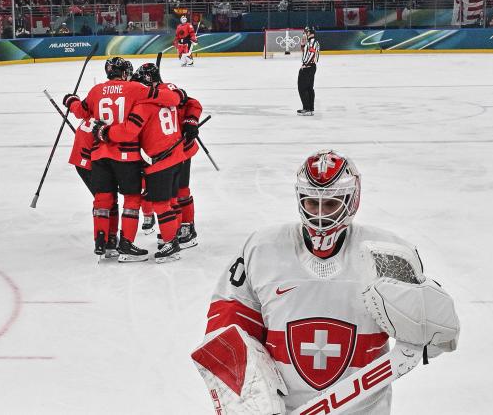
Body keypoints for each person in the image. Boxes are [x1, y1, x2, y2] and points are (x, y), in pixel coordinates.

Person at [191, 149, 460, 413]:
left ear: (351, 200)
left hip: (365, 408)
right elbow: (227, 325)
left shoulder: (387, 255)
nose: (320, 214)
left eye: (331, 203)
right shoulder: (261, 249)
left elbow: (426, 336)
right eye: (312, 202)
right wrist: (247, 393)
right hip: (286, 407)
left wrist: (429, 327)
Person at [96, 63, 191, 263]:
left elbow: (128, 131)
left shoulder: (143, 105)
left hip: (160, 160)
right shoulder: (168, 92)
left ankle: (171, 243)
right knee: (171, 199)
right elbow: (182, 100)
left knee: (161, 203)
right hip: (178, 155)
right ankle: (173, 237)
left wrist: (104, 132)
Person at [63, 57, 150, 261]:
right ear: (124, 73)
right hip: (126, 155)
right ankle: (126, 246)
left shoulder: (96, 91)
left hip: (99, 155)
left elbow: (81, 111)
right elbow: (157, 96)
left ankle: (103, 243)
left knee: (103, 198)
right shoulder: (135, 88)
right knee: (131, 198)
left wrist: (71, 100)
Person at [175, 94, 203, 248]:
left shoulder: (170, 90)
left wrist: (191, 121)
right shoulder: (135, 91)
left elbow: (193, 103)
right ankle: (173, 226)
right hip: (156, 149)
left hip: (181, 148)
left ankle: (186, 226)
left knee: (181, 189)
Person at [297, 27, 319, 116]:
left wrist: (305, 64)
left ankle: (307, 108)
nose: (305, 34)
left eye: (306, 32)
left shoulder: (313, 42)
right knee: (309, 88)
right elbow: (306, 52)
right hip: (310, 67)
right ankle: (310, 109)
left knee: (302, 88)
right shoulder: (309, 43)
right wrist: (302, 45)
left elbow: (312, 54)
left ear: (310, 33)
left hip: (308, 67)